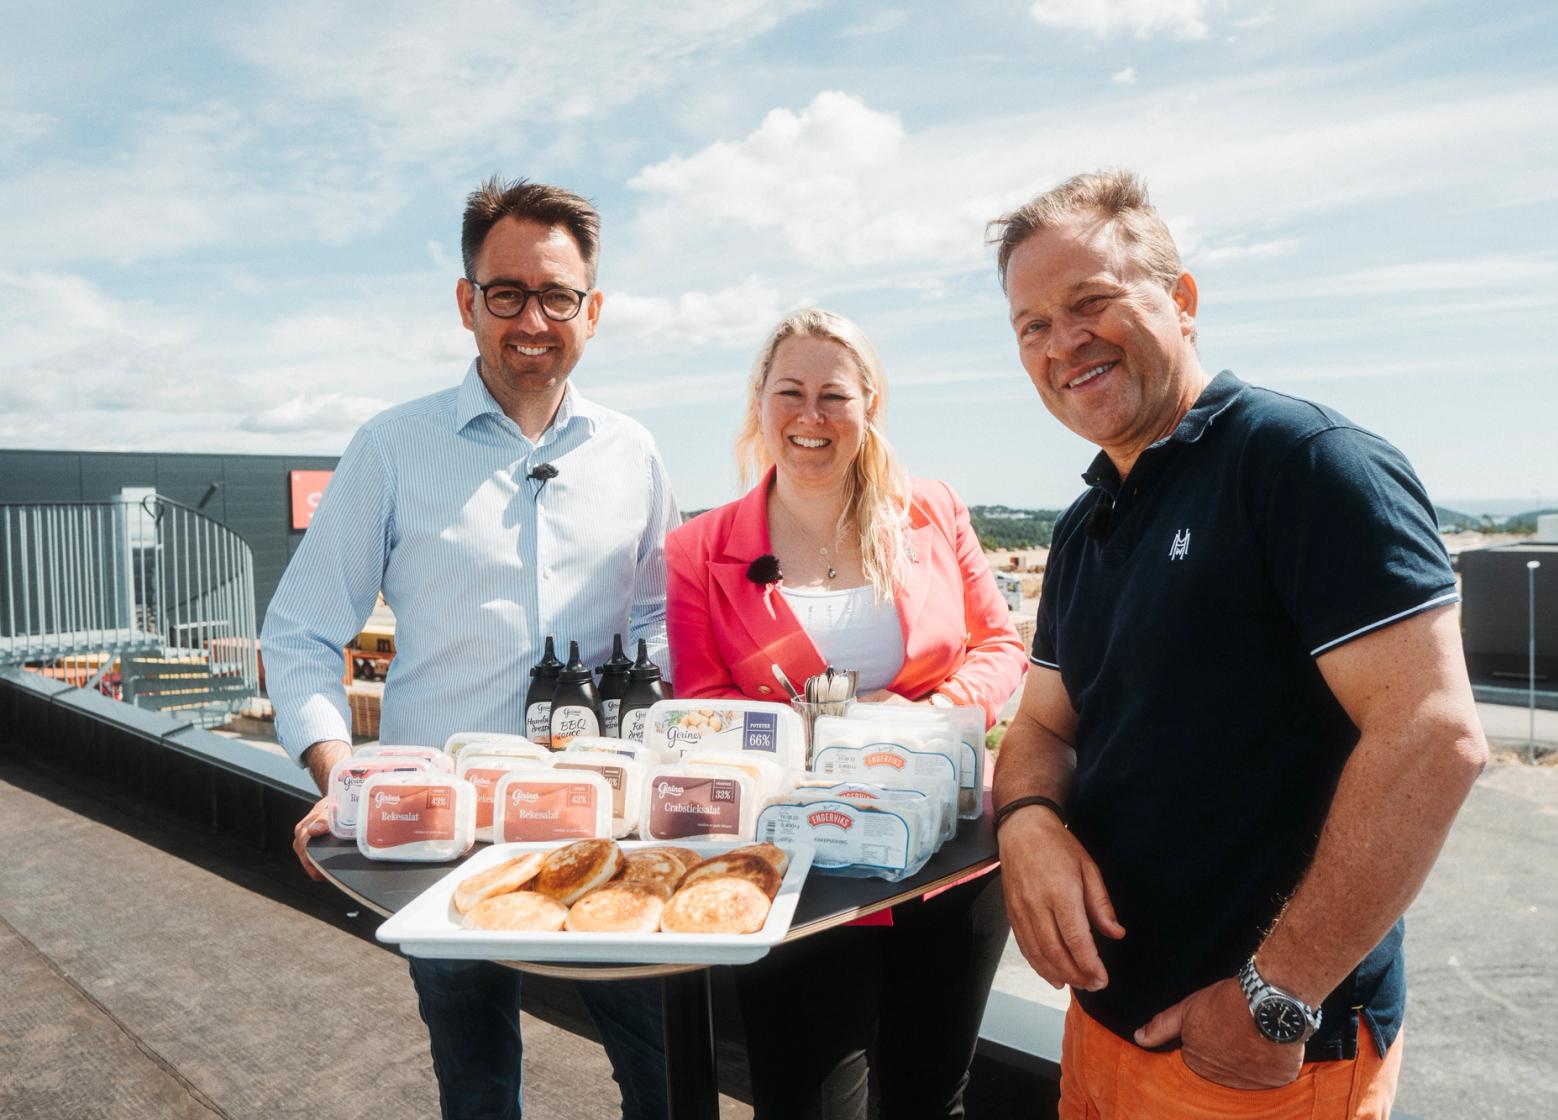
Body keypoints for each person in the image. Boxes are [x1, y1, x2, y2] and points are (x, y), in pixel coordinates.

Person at [986, 170, 1489, 1119]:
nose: (1063, 342)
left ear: (1181, 299)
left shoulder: (1304, 463)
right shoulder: (1086, 524)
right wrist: (1029, 822)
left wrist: (1275, 999)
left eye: (1090, 302)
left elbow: (1433, 736)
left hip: (1259, 1057)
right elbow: (1044, 726)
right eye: (1033, 325)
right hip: (1102, 1027)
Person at [263, 176, 678, 1120]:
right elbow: (299, 632)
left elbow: (661, 620)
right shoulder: (391, 448)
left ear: (593, 311)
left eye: (558, 296)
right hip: (437, 836)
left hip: (603, 829)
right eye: (507, 293)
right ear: (466, 302)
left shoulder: (634, 452)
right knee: (478, 1091)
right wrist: (338, 774)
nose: (533, 320)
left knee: (664, 1084)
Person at [664, 308, 1028, 1118]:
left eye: (834, 395)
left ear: (870, 406)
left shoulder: (932, 511)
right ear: (759, 404)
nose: (812, 415)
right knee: (806, 1103)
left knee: (931, 1099)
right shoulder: (698, 550)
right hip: (800, 861)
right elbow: (701, 704)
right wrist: (831, 737)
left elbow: (999, 646)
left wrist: (927, 717)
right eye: (790, 392)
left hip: (951, 855)